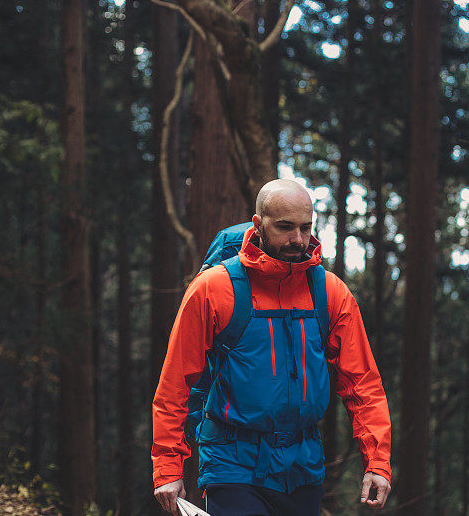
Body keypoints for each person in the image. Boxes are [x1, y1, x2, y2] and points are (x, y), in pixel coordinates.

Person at [152, 179, 392, 515]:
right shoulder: (214, 289)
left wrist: (377, 463)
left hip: (304, 467)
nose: (297, 239)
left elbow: (362, 384)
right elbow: (175, 385)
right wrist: (167, 468)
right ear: (258, 224)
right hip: (232, 464)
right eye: (284, 227)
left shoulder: (330, 293)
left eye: (305, 228)